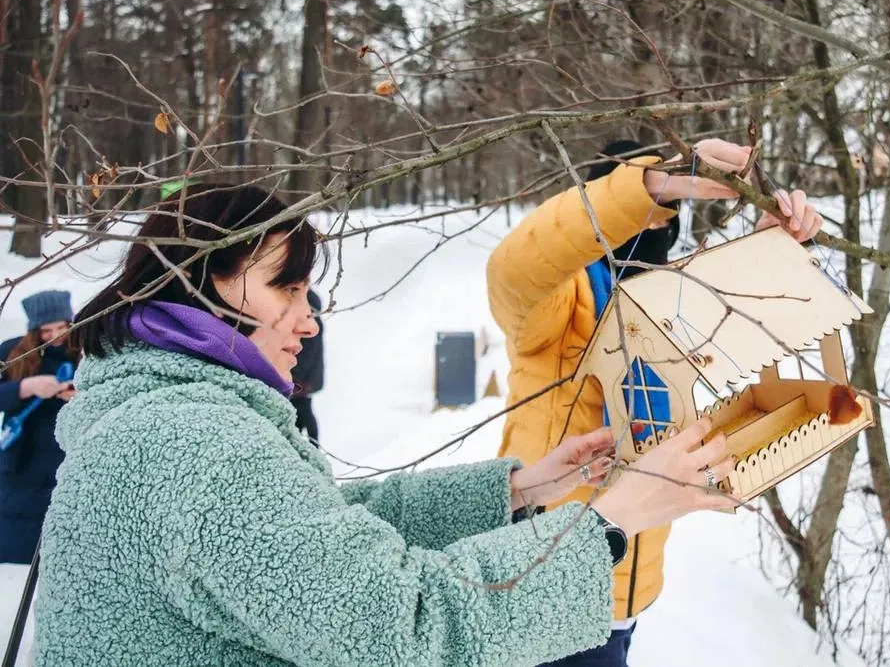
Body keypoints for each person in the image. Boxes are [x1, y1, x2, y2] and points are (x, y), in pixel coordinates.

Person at [32, 183, 736, 667]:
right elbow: (405, 627)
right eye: (287, 286)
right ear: (196, 281)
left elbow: (319, 526)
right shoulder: (194, 441)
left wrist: (521, 488)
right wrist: (605, 525)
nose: (307, 319)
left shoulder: (171, 414)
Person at [488, 137, 822, 666]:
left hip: (625, 592)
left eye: (666, 218)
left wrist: (773, 246)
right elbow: (514, 267)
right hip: (538, 579)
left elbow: (732, 332)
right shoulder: (558, 303)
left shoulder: (669, 301)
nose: (654, 230)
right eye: (640, 217)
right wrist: (651, 185)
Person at [0, 290, 79, 565]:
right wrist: (25, 387)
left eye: (62, 327)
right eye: (47, 330)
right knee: (17, 548)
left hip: (68, 454)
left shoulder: (84, 352)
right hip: (22, 459)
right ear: (35, 329)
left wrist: (77, 395)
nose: (57, 335)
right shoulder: (12, 352)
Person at [290, 289, 324, 442]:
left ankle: (312, 444)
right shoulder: (315, 323)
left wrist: (296, 373)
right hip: (309, 376)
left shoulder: (310, 326)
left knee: (302, 409)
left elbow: (308, 353)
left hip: (304, 378)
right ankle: (307, 443)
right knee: (302, 409)